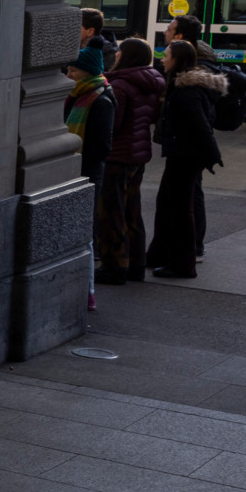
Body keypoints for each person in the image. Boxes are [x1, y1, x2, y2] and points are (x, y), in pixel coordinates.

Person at [148, 40, 226, 279]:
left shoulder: (187, 91)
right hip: (184, 154)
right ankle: (166, 256)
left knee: (181, 210)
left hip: (185, 156)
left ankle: (182, 265)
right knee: (172, 205)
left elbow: (200, 126)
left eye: (166, 55)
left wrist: (212, 155)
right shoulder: (186, 86)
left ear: (177, 60)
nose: (162, 59)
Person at [96, 37, 164, 285]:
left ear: (126, 56)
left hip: (117, 155)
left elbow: (113, 125)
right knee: (132, 211)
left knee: (112, 213)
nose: (116, 55)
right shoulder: (152, 81)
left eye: (119, 52)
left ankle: (114, 267)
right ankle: (136, 265)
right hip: (138, 154)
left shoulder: (121, 86)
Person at [163, 12, 224, 260]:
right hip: (185, 148)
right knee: (182, 197)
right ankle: (176, 249)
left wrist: (212, 155)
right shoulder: (196, 65)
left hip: (186, 149)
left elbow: (199, 123)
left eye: (169, 29)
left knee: (186, 199)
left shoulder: (189, 80)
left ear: (179, 37)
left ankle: (190, 251)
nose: (165, 33)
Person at [62, 46, 116, 312]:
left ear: (89, 72)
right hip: (74, 170)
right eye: (69, 69)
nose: (69, 74)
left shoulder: (100, 100)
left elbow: (102, 147)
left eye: (74, 70)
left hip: (86, 173)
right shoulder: (76, 95)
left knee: (83, 234)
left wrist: (79, 163)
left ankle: (87, 293)